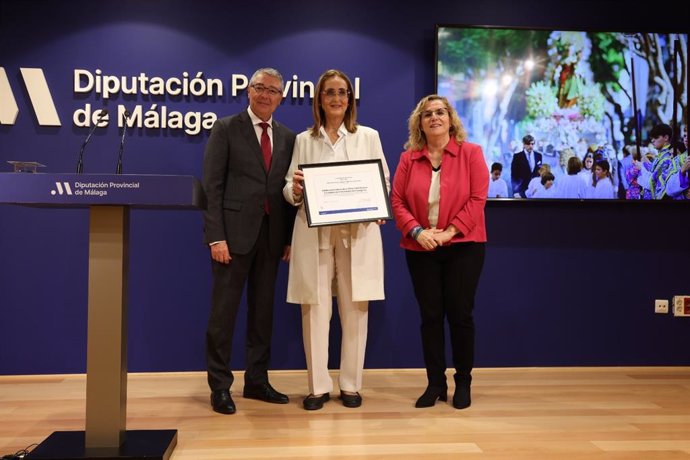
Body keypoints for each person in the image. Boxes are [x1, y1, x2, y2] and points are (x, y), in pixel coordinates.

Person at [283, 69, 389, 411]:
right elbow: (288, 188)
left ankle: (350, 385)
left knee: (355, 309)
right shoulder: (304, 140)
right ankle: (317, 387)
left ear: (350, 99)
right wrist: (296, 189)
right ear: (319, 99)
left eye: (342, 92)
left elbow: (383, 181)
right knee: (314, 308)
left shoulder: (367, 136)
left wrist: (378, 203)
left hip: (356, 234)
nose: (337, 98)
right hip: (314, 234)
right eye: (329, 92)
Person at [202, 68, 296, 415]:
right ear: (248, 91)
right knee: (223, 316)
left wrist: (287, 239)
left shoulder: (287, 137)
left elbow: (287, 192)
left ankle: (256, 381)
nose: (265, 95)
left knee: (262, 315)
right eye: (259, 88)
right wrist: (216, 237)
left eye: (272, 90)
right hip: (232, 239)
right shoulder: (226, 128)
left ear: (281, 98)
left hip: (271, 240)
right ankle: (220, 387)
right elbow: (212, 187)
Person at [391, 95, 488, 410]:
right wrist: (419, 232)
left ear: (451, 119)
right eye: (427, 114)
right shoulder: (409, 159)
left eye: (440, 112)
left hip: (464, 246)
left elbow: (477, 199)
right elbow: (397, 202)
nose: (434, 117)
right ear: (419, 123)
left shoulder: (471, 153)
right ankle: (435, 383)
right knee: (430, 317)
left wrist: (448, 232)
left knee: (460, 314)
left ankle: (463, 381)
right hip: (421, 247)